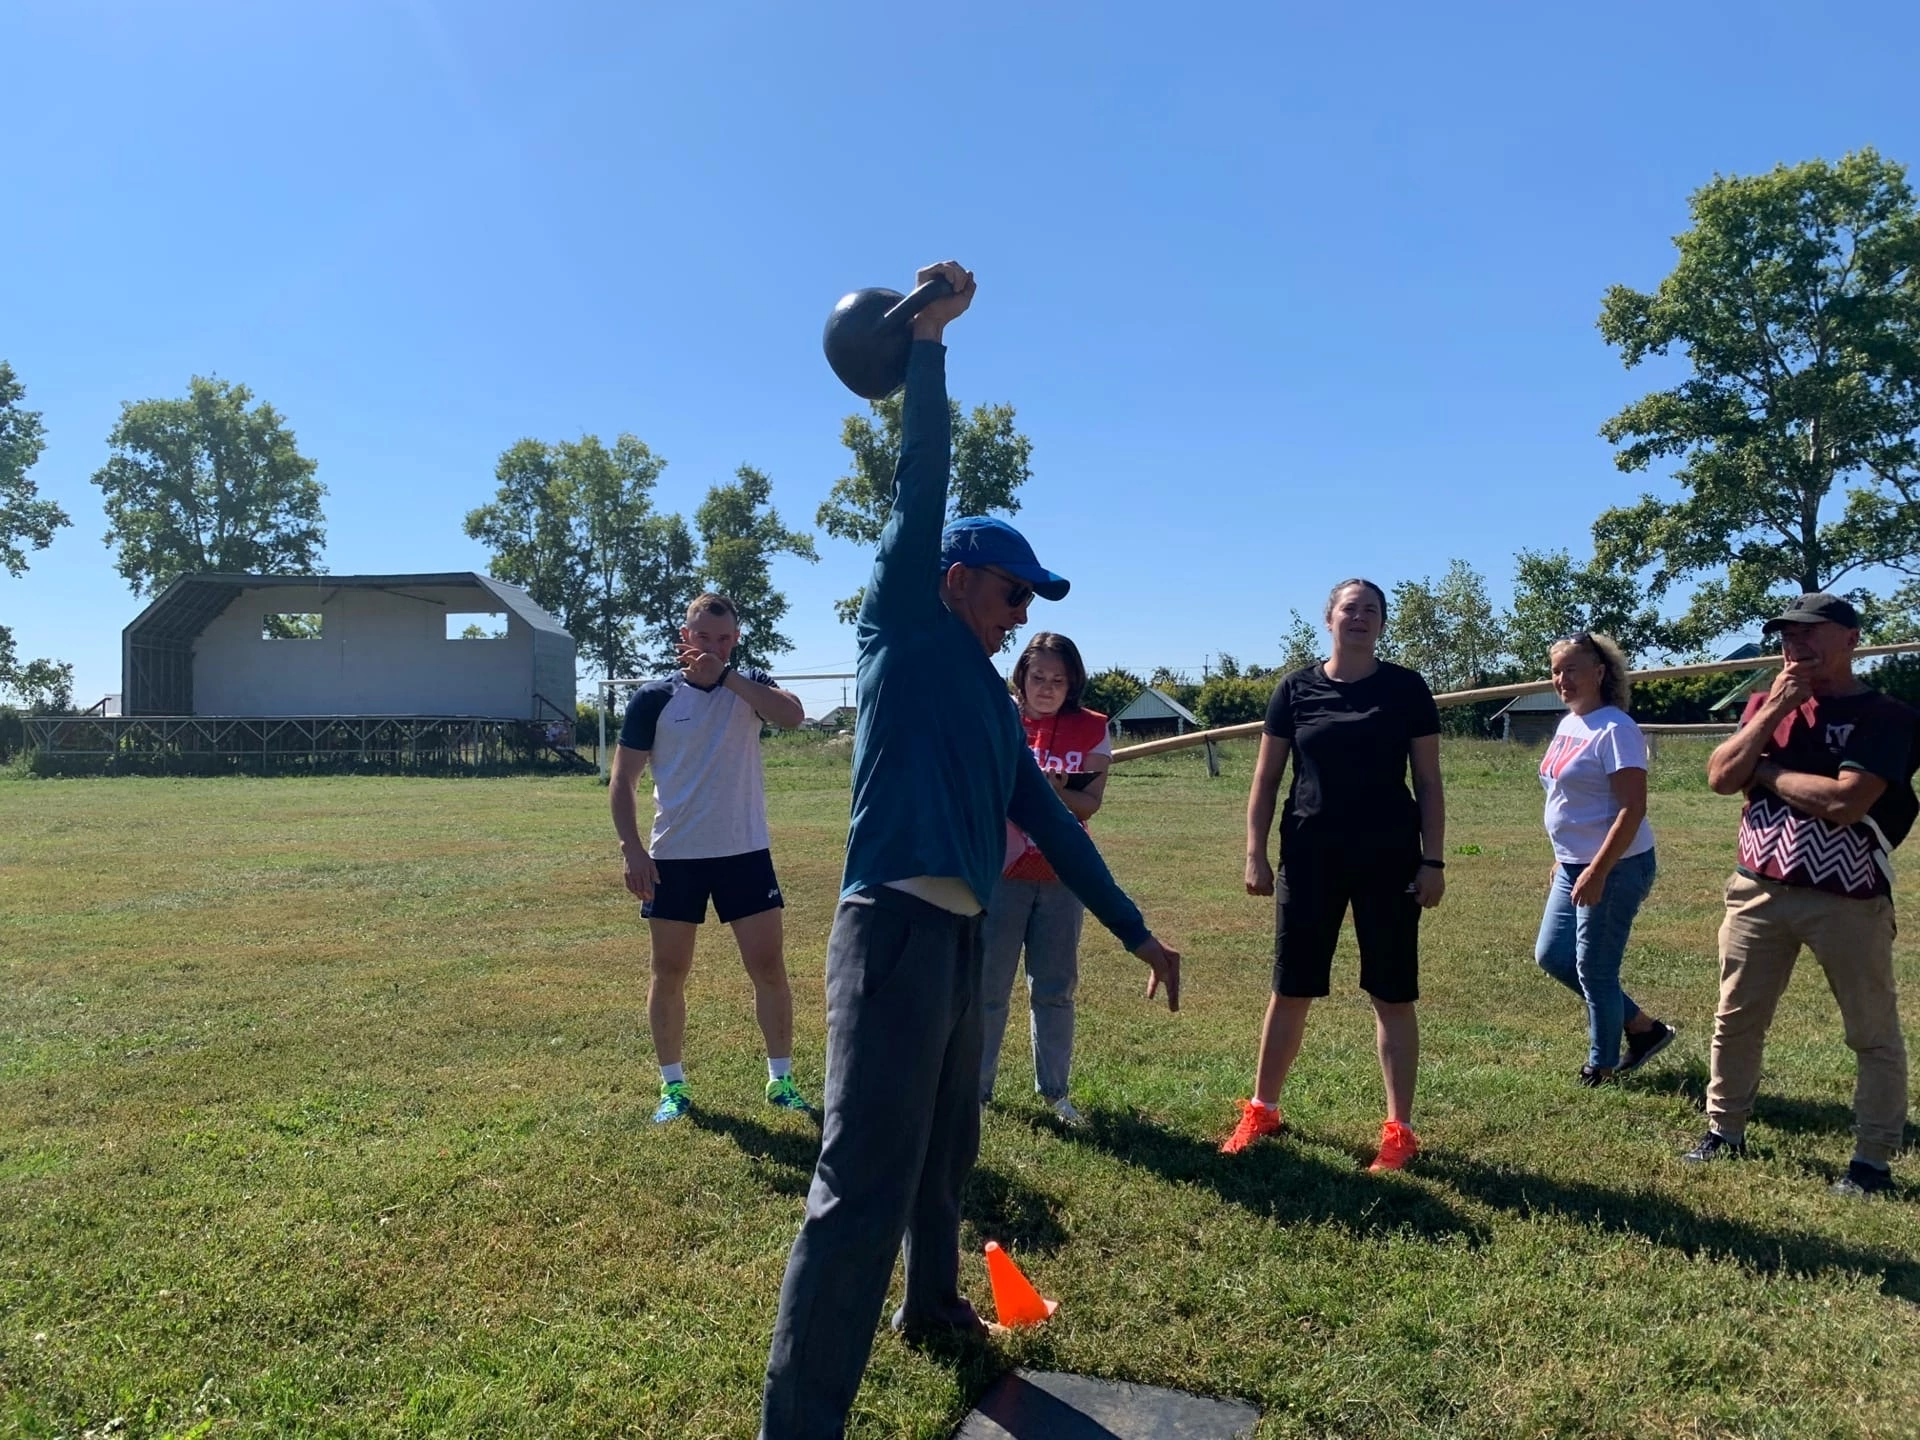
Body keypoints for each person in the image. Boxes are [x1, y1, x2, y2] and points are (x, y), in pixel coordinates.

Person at [759, 262, 1181, 1440]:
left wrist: (1137, 929)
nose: (1020, 614)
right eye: (1010, 591)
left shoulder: (999, 709)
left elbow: (1049, 825)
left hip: (955, 939)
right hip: (888, 931)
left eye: (1029, 599)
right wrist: (933, 348)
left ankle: (934, 1304)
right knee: (858, 1190)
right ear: (955, 580)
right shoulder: (900, 623)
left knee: (950, 1147)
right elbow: (920, 478)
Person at [1689, 593, 1918, 1199]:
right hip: (1758, 887)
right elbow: (1718, 777)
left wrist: (1764, 771)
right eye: (1788, 635)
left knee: (1870, 1031)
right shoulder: (1767, 704)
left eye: (1812, 633)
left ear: (1851, 639)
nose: (1797, 645)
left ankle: (1871, 1161)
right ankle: (1723, 1130)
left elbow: (1845, 803)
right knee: (1736, 1019)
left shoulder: (1886, 716)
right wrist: (1771, 715)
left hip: (1847, 897)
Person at [1223, 578, 1446, 1171]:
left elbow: (1427, 782)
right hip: (1309, 857)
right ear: (1330, 618)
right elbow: (1267, 779)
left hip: (1391, 860)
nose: (1361, 617)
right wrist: (1255, 852)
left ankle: (1399, 1131)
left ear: (1381, 624)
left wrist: (1434, 859)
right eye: (1351, 608)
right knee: (1290, 988)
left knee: (1391, 993)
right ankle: (1262, 1110)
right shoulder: (1295, 689)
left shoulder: (1406, 689)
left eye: (1372, 610)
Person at [609, 593, 811, 1124]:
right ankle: (672, 1086)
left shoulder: (748, 687)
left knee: (768, 967)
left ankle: (781, 1079)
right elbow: (622, 780)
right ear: (685, 636)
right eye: (704, 638)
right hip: (674, 856)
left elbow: (792, 716)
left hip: (744, 853)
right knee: (669, 971)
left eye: (724, 640)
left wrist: (726, 677)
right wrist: (632, 849)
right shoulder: (654, 698)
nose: (714, 648)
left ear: (735, 641)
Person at [979, 632, 1113, 1124]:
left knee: (1055, 988)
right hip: (999, 871)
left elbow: (1089, 805)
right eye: (1038, 677)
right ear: (1022, 677)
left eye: (1058, 680)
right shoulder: (998, 719)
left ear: (1072, 682)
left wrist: (1055, 793)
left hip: (1062, 874)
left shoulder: (1093, 729)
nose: (1047, 688)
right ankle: (975, 1092)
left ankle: (1055, 1092)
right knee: (987, 988)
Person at [1533, 632, 1674, 1085]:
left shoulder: (1616, 729)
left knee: (1595, 968)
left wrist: (1598, 869)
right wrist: (1566, 856)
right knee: (1553, 955)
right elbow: (1569, 798)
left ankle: (1602, 1066)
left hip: (1615, 866)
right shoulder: (1569, 724)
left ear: (1600, 672)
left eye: (1572, 668)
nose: (1563, 679)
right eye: (1557, 670)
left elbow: (1633, 809)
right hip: (1574, 864)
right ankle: (1644, 1029)